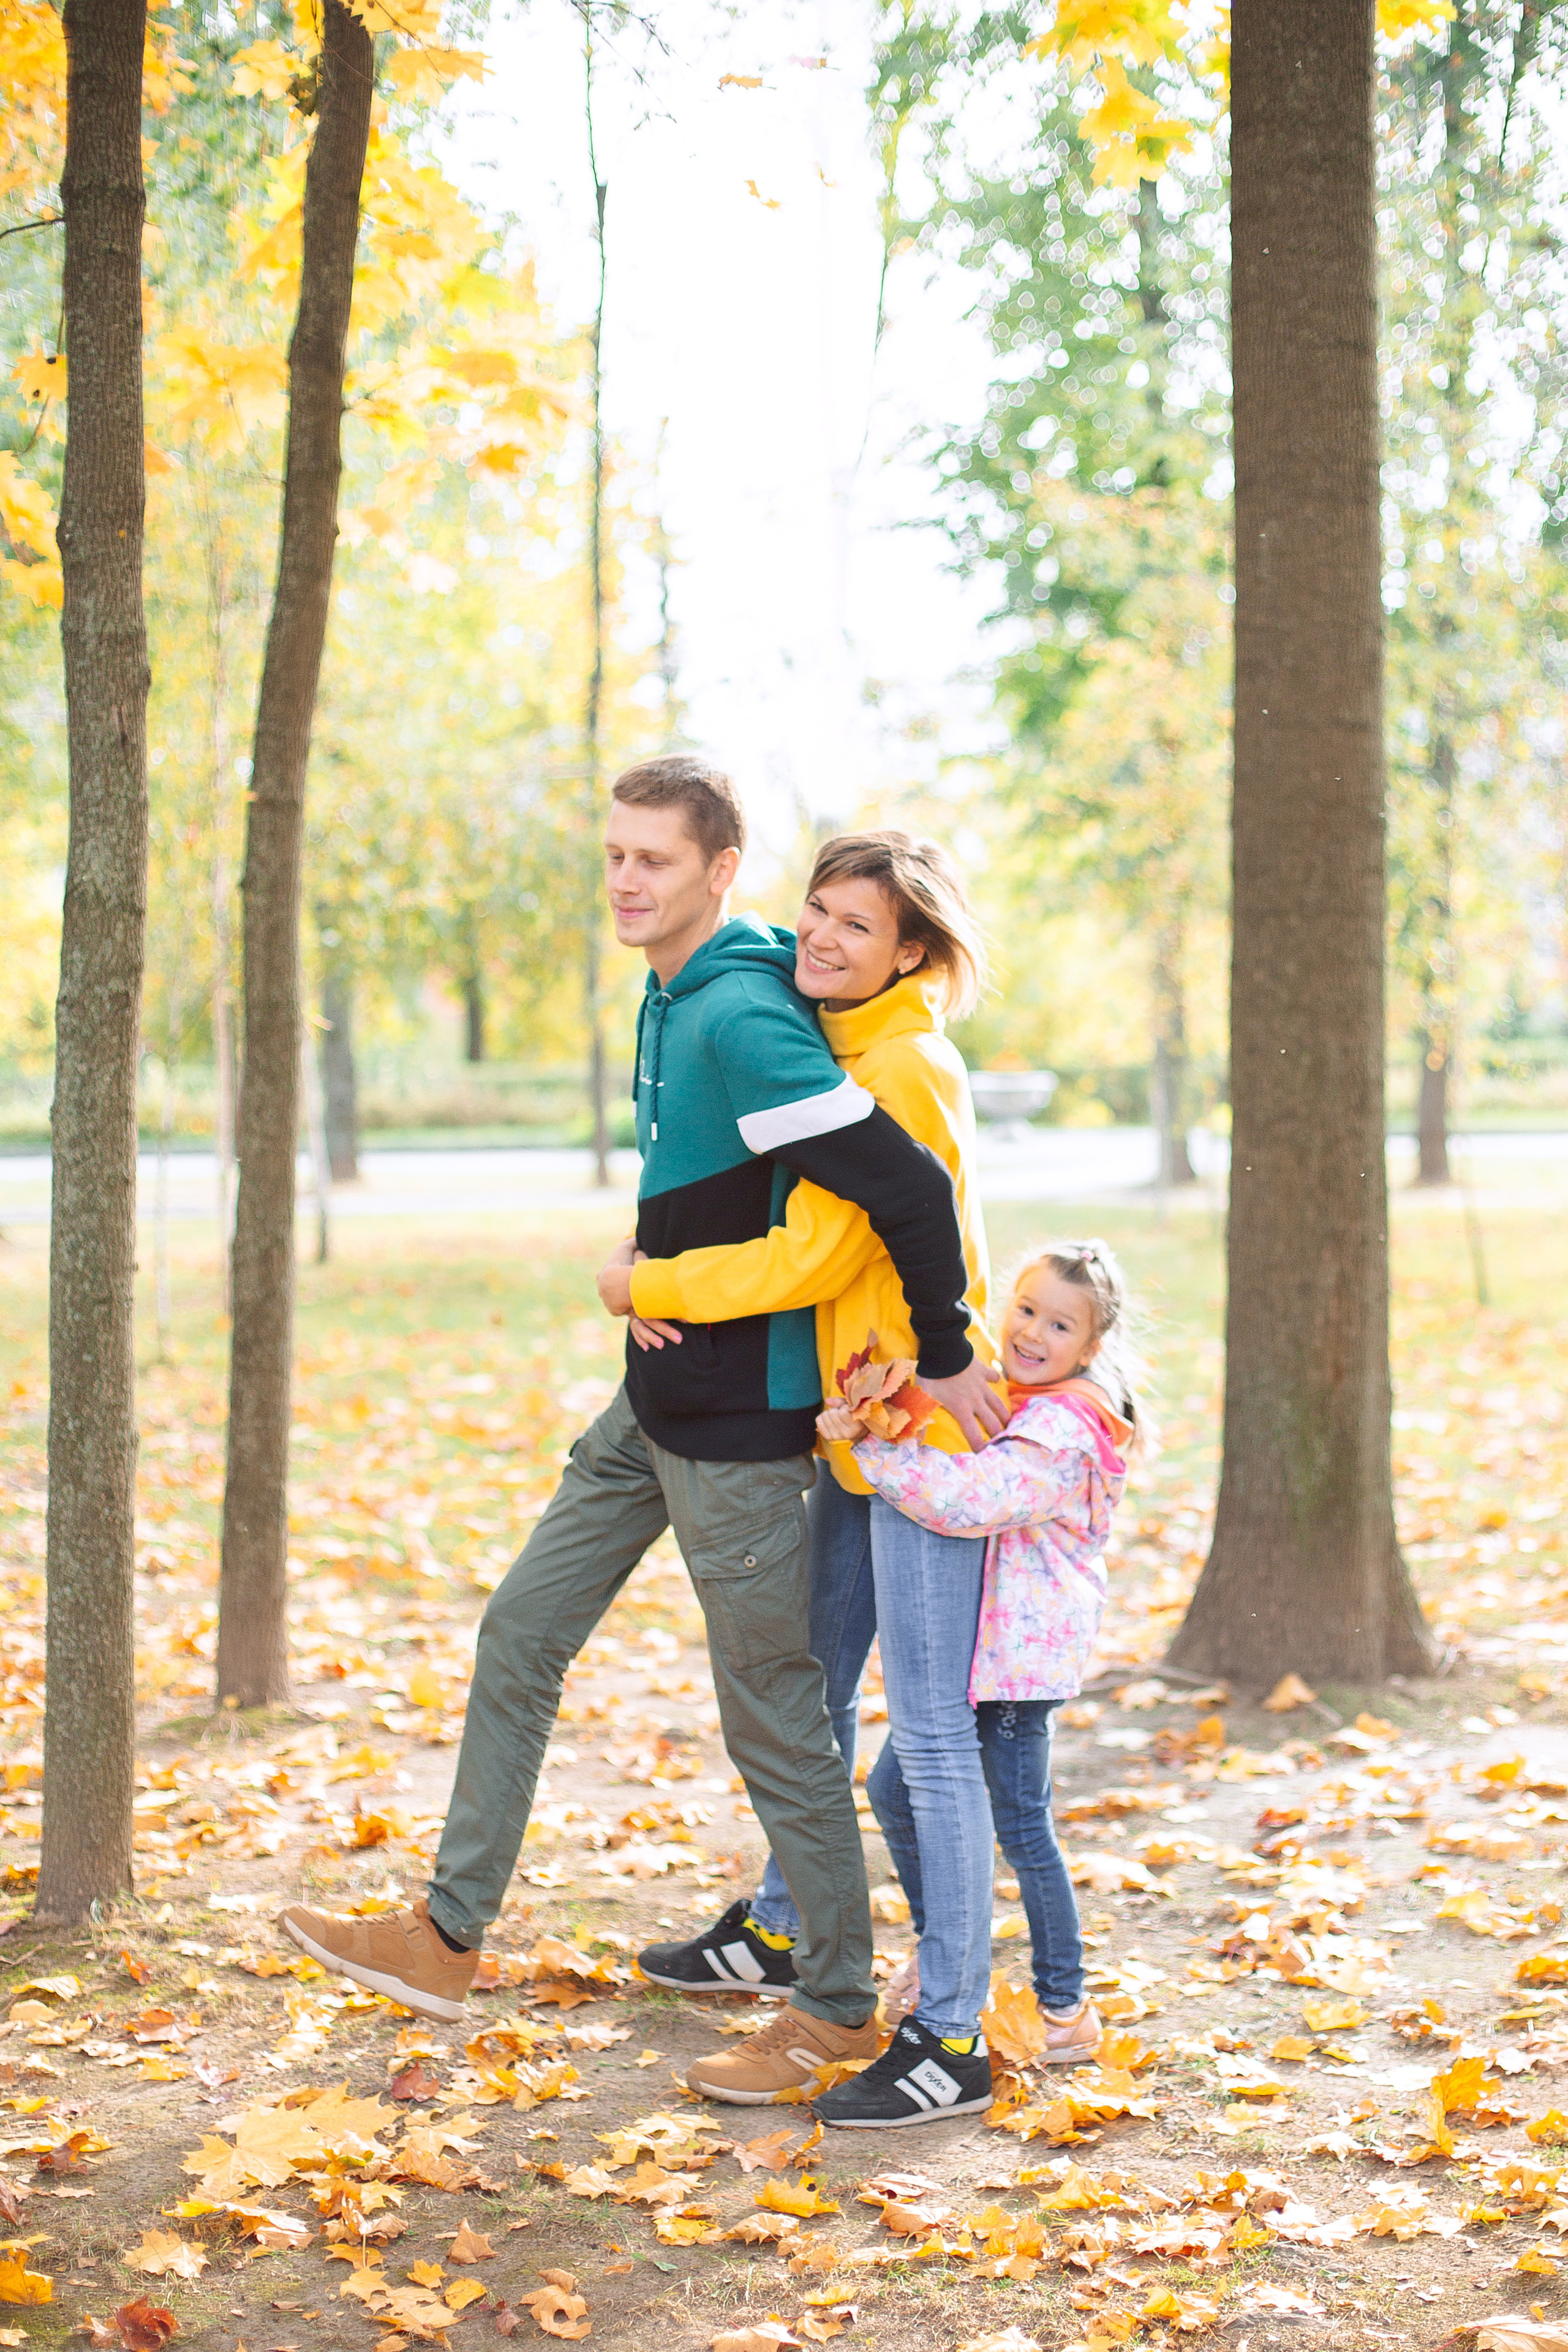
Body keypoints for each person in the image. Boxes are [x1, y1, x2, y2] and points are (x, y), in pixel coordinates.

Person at [278, 759, 1002, 2095]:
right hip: (649, 1405)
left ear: (717, 872)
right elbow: (718, 1184)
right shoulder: (677, 993)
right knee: (521, 1630)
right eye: (614, 854)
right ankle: (445, 1935)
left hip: (734, 1430)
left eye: (653, 859)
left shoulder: (740, 1012)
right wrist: (648, 1263)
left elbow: (904, 1186)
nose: (624, 879)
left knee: (776, 1722)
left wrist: (948, 1351)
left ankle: (840, 2004)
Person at [601, 830, 1003, 2113]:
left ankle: (950, 2041)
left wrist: (643, 1284)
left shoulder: (900, 1066)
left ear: (913, 953)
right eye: (815, 914)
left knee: (928, 1741)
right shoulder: (828, 1043)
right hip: (853, 1428)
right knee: (811, 1683)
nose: (822, 939)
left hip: (925, 1439)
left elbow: (813, 1262)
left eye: (856, 927)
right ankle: (781, 1924)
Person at [807, 1239, 1143, 2126]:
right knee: (897, 1786)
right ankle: (947, 1952)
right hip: (998, 1648)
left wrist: (876, 1453)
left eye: (1059, 1323)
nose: (1033, 1331)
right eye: (1026, 1309)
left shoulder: (1065, 1428)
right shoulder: (1026, 1394)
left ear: (1092, 1343)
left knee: (1024, 1829)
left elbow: (977, 1497)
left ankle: (1064, 2007)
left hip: (1021, 1663)